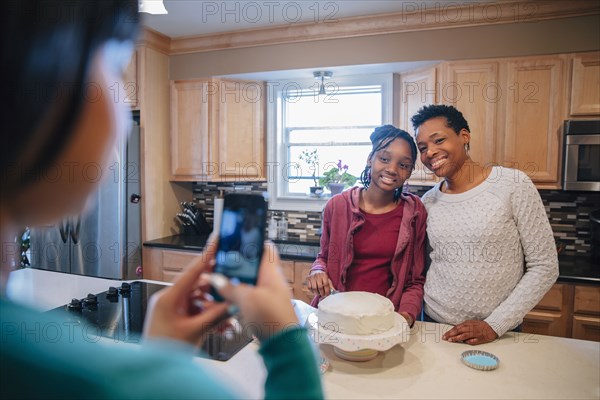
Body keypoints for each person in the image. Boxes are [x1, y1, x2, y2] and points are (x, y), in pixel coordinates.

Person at [0, 1, 323, 398]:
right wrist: (284, 337)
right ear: (45, 83)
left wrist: (161, 351)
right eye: (115, 70)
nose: (124, 112)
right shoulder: (118, 382)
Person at [412, 104, 559, 345]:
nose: (430, 152)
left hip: (498, 331)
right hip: (434, 324)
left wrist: (494, 325)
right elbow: (426, 265)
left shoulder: (512, 184)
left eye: (439, 140)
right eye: (423, 148)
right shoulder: (427, 202)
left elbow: (545, 265)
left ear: (464, 136)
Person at [306, 125, 427, 327]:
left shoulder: (415, 212)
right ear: (370, 158)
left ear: (409, 172)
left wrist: (406, 315)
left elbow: (415, 280)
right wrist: (317, 271)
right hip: (334, 317)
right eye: (384, 159)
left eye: (403, 165)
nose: (392, 169)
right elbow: (324, 257)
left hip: (383, 323)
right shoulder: (336, 206)